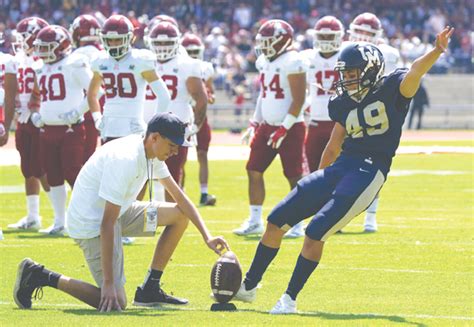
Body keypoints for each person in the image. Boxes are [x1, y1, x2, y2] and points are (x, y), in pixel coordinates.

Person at [229, 27, 453, 314]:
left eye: (352, 74)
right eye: (344, 74)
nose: (346, 79)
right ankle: (248, 287)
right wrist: (318, 181)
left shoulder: (393, 89)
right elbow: (334, 145)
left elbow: (415, 72)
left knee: (315, 232)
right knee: (276, 220)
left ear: (371, 71)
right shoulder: (343, 102)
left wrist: (437, 50)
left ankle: (289, 299)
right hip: (341, 166)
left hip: (369, 171)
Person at [14, 112, 229, 311]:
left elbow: (180, 199)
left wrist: (207, 236)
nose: (175, 152)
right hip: (91, 224)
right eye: (172, 145)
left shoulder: (152, 153)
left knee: (180, 215)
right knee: (116, 301)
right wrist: (108, 283)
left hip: (117, 213)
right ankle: (40, 275)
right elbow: (107, 224)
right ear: (154, 138)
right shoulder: (125, 160)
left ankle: (150, 288)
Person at [87, 15, 171, 244]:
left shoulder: (140, 60)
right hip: (110, 127)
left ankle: (125, 224)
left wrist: (154, 126)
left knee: (135, 179)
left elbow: (164, 95)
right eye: (109, 41)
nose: (113, 45)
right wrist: (97, 117)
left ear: (130, 38)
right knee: (108, 179)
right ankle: (108, 223)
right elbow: (91, 93)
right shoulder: (100, 61)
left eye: (117, 40)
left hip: (133, 128)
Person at [234, 19, 307, 238]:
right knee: (253, 169)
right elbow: (264, 95)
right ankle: (255, 220)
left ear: (283, 41)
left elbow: (299, 100)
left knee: (294, 176)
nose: (264, 46)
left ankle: (297, 224)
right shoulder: (264, 61)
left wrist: (284, 128)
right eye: (262, 41)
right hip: (267, 127)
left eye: (269, 41)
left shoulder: (293, 61)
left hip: (291, 127)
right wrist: (255, 122)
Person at [28, 25, 93, 235]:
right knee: (53, 174)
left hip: (70, 128)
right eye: (41, 47)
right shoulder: (42, 68)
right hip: (47, 129)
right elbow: (36, 96)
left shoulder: (73, 63)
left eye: (48, 47)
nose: (43, 52)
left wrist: (79, 110)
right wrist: (35, 113)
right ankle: (59, 221)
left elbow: (95, 89)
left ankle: (87, 218)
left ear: (62, 46)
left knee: (73, 172)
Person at [346, 12, 404, 232]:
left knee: (375, 165)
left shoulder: (388, 53)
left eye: (368, 33)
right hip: (351, 111)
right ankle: (339, 211)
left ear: (377, 34)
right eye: (359, 32)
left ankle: (371, 215)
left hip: (377, 112)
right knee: (344, 163)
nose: (363, 36)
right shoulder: (346, 50)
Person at [147, 22, 207, 202]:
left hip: (174, 130)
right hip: (146, 130)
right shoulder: (145, 60)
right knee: (139, 179)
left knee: (172, 179)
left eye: (167, 43)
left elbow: (201, 98)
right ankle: (133, 220)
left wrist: (195, 126)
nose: (163, 47)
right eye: (158, 43)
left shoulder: (187, 64)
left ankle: (172, 222)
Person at [6, 17, 55, 232]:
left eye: (24, 37)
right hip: (23, 118)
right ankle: (33, 216)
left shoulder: (46, 61)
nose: (20, 42)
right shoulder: (18, 61)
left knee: (42, 167)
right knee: (28, 168)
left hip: (40, 118)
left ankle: (60, 216)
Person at [301, 16, 344, 173]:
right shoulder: (306, 57)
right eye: (322, 36)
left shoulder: (347, 55)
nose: (326, 40)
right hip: (315, 123)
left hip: (339, 123)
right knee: (312, 170)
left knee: (340, 169)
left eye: (330, 36)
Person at [182, 33, 217, 206]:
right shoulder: (180, 66)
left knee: (202, 155)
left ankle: (204, 193)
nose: (193, 54)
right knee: (179, 157)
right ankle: (179, 192)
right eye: (189, 51)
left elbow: (211, 92)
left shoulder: (206, 68)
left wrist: (209, 96)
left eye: (195, 51)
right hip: (183, 117)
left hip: (200, 118)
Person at [70, 14, 104, 163]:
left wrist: (76, 112)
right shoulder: (106, 53)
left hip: (83, 114)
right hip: (106, 111)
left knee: (80, 164)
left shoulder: (75, 56)